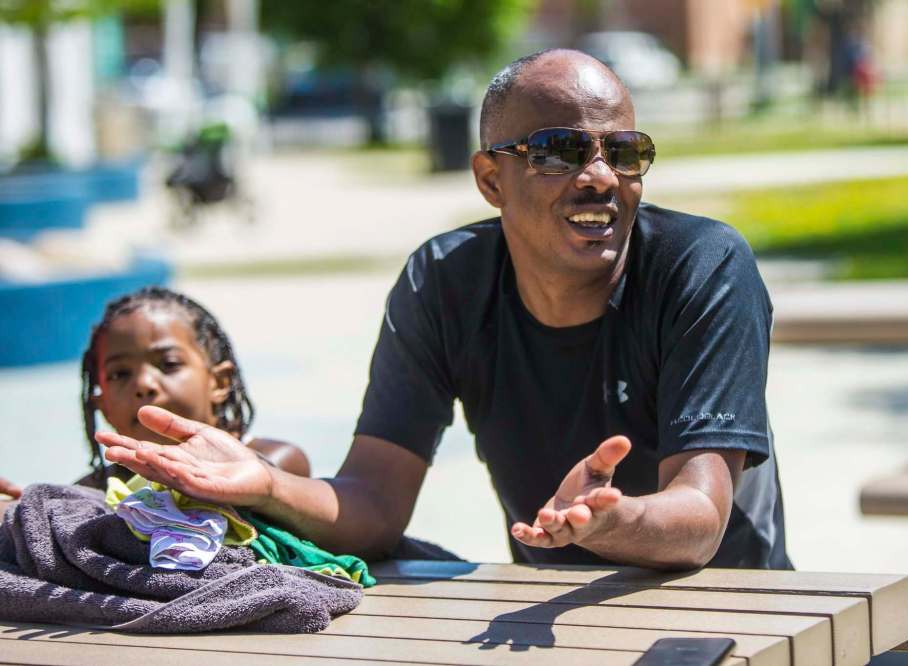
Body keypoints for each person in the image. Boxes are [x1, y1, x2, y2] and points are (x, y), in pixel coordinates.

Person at [98, 49, 790, 570]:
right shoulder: (445, 281)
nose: (602, 176)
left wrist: (611, 522)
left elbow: (700, 518)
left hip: (730, 609)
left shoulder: (703, 266)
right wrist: (265, 486)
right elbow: (374, 500)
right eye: (562, 151)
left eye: (625, 152)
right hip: (542, 618)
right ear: (492, 178)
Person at [0, 286, 310, 504]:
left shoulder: (273, 462)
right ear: (101, 402)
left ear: (219, 382)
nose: (144, 384)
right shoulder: (97, 489)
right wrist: (29, 508)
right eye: (120, 374)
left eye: (169, 364)